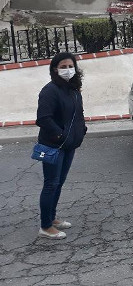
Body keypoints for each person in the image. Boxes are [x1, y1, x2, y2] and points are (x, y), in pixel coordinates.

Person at [36, 52, 87, 240]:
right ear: (55, 69)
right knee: (51, 184)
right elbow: (43, 119)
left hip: (69, 145)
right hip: (53, 145)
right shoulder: (50, 90)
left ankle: (52, 217)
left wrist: (81, 130)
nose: (67, 70)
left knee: (59, 183)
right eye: (63, 67)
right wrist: (61, 134)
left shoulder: (73, 89)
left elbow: (78, 113)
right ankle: (45, 226)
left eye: (70, 66)